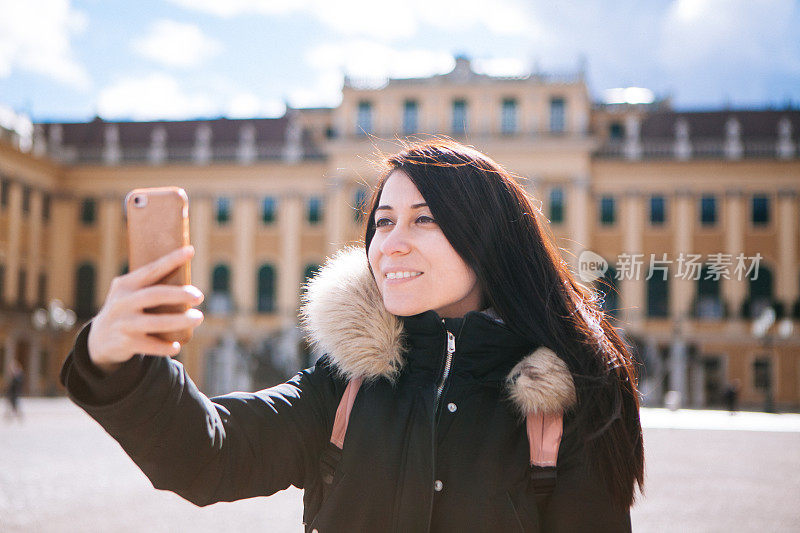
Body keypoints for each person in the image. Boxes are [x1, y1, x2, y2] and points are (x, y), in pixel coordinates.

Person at [60, 139, 644, 532]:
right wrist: (116, 358)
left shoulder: (572, 395)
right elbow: (207, 457)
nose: (390, 243)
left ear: (487, 237)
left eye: (425, 219)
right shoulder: (344, 385)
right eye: (383, 221)